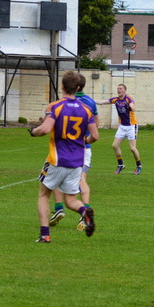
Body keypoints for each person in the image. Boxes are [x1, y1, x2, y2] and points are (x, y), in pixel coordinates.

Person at [29, 70, 98, 243]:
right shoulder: (86, 109)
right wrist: (83, 141)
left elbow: (44, 129)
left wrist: (33, 132)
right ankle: (85, 211)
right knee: (71, 200)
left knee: (44, 195)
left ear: (62, 86)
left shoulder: (55, 106)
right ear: (77, 88)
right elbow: (95, 136)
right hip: (77, 161)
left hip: (57, 159)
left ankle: (45, 235)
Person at [50, 73, 98, 232]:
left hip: (63, 148)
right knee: (82, 179)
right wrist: (85, 140)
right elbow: (96, 127)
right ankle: (85, 212)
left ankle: (58, 208)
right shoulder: (90, 103)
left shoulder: (63, 103)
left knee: (55, 178)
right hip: (83, 149)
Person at [97, 83, 141, 175]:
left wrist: (131, 107)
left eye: (120, 88)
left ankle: (138, 166)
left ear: (125, 90)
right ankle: (120, 165)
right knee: (114, 146)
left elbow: (133, 106)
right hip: (122, 126)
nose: (118, 90)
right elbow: (102, 102)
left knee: (132, 148)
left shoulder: (128, 99)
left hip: (131, 126)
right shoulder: (115, 100)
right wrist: (89, 100)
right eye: (118, 88)